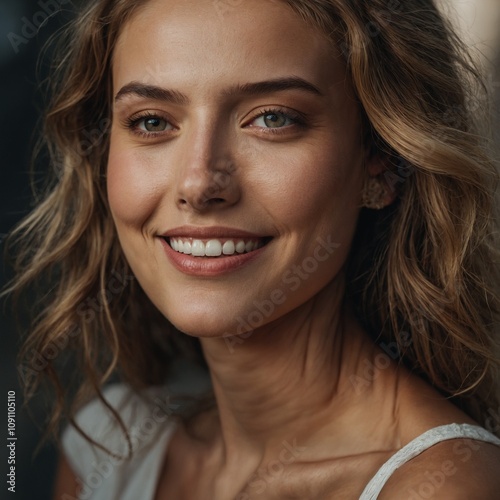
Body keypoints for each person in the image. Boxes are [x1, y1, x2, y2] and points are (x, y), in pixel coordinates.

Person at [4, 0, 500, 498]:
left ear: (379, 160)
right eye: (152, 122)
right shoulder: (111, 447)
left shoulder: (442, 485)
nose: (199, 184)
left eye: (271, 119)